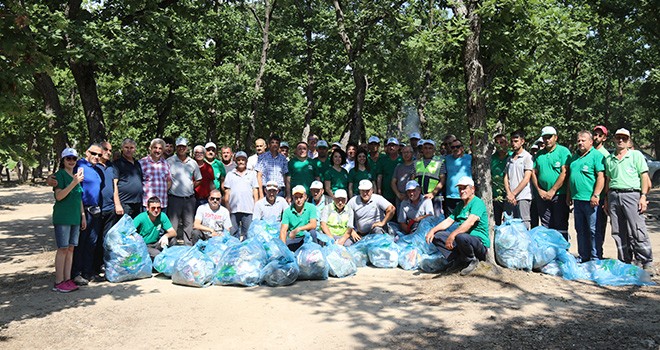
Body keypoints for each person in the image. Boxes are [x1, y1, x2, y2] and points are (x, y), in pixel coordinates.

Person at [604, 128, 653, 273]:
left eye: (624, 138)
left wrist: (643, 196)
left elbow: (644, 177)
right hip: (613, 196)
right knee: (618, 230)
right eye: (618, 137)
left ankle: (646, 261)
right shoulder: (609, 159)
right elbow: (608, 180)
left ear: (629, 141)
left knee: (637, 229)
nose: (620, 140)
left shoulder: (636, 156)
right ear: (614, 139)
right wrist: (606, 200)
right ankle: (625, 261)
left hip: (632, 195)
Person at [425, 176, 490, 276]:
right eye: (460, 189)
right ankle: (457, 260)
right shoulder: (460, 205)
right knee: (437, 236)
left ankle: (472, 260)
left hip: (479, 243)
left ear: (472, 189)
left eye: (464, 188)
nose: (462, 191)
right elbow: (448, 221)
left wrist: (452, 235)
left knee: (460, 236)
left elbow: (470, 223)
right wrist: (432, 230)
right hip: (463, 242)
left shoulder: (477, 203)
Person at [68, 143, 104, 286]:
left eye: (99, 155)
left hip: (95, 210)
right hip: (83, 210)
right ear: (86, 152)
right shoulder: (79, 165)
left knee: (92, 243)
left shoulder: (96, 169)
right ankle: (75, 273)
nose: (96, 157)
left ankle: (88, 272)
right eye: (93, 154)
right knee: (80, 243)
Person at [567, 130, 605, 262]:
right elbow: (570, 178)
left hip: (590, 200)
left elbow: (601, 177)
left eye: (583, 140)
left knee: (593, 230)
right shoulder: (574, 157)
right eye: (578, 140)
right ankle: (583, 256)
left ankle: (595, 257)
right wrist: (569, 195)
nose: (580, 143)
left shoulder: (597, 156)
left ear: (591, 141)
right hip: (577, 200)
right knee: (580, 229)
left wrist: (596, 195)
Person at [51, 148, 85, 292]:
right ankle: (59, 281)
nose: (71, 161)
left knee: (71, 249)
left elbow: (79, 199)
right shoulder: (59, 176)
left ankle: (67, 279)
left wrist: (82, 216)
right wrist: (73, 183)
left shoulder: (77, 176)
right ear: (63, 160)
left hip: (75, 217)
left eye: (74, 159)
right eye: (68, 158)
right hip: (63, 217)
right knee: (63, 248)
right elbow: (59, 196)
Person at [531, 126, 571, 240]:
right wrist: (539, 190)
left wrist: (553, 190)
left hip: (559, 195)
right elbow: (533, 172)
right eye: (545, 137)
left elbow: (565, 172)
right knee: (546, 225)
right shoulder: (539, 154)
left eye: (549, 137)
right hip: (543, 196)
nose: (547, 140)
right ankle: (549, 251)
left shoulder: (563, 151)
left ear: (556, 137)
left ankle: (562, 251)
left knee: (560, 224)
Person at [167, 137, 202, 246]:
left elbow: (199, 179)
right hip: (174, 198)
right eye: (179, 146)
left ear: (187, 148)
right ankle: (172, 248)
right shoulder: (169, 161)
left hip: (189, 199)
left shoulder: (193, 162)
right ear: (176, 148)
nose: (181, 148)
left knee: (188, 225)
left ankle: (188, 248)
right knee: (173, 225)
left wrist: (190, 186)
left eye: (183, 146)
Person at [95, 141, 121, 280]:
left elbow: (115, 187)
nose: (108, 152)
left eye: (110, 150)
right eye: (106, 149)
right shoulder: (91, 165)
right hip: (95, 209)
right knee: (94, 240)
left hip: (110, 208)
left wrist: (117, 205)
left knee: (107, 239)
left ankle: (104, 266)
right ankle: (90, 269)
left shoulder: (111, 166)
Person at [224, 151, 259, 240]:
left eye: (243, 160)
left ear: (246, 161)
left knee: (248, 233)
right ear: (235, 161)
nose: (241, 162)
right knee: (233, 233)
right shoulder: (230, 174)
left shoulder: (252, 174)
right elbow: (227, 192)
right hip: (233, 209)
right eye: (238, 160)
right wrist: (228, 208)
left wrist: (256, 207)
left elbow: (255, 191)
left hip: (248, 209)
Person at [503, 130, 533, 229]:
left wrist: (514, 193)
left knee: (524, 224)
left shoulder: (527, 157)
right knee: (510, 224)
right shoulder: (509, 158)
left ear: (522, 141)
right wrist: (509, 193)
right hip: (510, 198)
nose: (513, 144)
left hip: (523, 196)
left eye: (516, 141)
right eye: (512, 141)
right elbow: (506, 176)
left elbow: (527, 178)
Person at [280, 185, 318, 251]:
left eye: (301, 197)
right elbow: (283, 230)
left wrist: (299, 229)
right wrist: (283, 248)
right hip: (294, 238)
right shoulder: (287, 211)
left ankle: (314, 252)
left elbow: (313, 224)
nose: (298, 200)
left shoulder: (311, 207)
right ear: (293, 197)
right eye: (296, 197)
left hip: (306, 236)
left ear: (305, 197)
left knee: (313, 232)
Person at [140, 138, 172, 210]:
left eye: (160, 148)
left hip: (162, 203)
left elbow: (169, 181)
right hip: (147, 204)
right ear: (150, 148)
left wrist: (162, 191)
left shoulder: (166, 164)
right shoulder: (142, 163)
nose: (157, 150)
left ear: (163, 150)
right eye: (155, 148)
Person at [114, 138, 143, 218]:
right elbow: (114, 185)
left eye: (131, 148)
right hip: (124, 203)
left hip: (138, 202)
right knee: (124, 229)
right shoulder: (117, 164)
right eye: (126, 147)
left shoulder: (137, 164)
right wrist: (117, 204)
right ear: (122, 148)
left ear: (135, 149)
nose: (129, 150)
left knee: (135, 229)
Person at [415, 139, 445, 217]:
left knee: (436, 219)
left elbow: (442, 180)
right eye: (425, 148)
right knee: (420, 219)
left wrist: (433, 193)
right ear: (422, 149)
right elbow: (413, 179)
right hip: (420, 196)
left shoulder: (440, 162)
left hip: (435, 197)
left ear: (434, 150)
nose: (427, 150)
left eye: (430, 148)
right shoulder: (417, 162)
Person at [443, 138, 472, 215]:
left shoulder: (470, 158)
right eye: (453, 147)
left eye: (458, 146)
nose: (455, 149)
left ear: (462, 148)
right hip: (450, 196)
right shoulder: (446, 159)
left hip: (466, 194)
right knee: (450, 221)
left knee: (464, 220)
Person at [592, 125, 610, 255]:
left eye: (600, 135)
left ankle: (598, 254)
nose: (596, 137)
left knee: (598, 227)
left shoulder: (605, 155)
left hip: (600, 197)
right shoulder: (589, 151)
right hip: (587, 196)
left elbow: (606, 178)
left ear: (604, 138)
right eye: (595, 134)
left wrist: (605, 198)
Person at [376, 138, 402, 205]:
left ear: (398, 147)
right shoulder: (382, 160)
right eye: (389, 145)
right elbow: (379, 175)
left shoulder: (402, 160)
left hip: (400, 193)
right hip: (386, 193)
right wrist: (379, 189)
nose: (391, 147)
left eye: (394, 145)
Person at [491, 134, 510, 226]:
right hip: (495, 195)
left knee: (509, 220)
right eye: (497, 143)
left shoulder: (512, 157)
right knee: (496, 221)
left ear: (507, 143)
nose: (499, 145)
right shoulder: (491, 159)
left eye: (501, 142)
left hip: (510, 195)